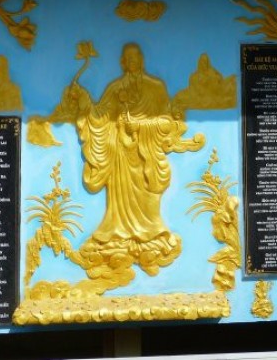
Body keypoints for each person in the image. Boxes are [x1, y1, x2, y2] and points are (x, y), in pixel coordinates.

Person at [63, 43, 204, 277]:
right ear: (122, 62)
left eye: (135, 57)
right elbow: (99, 116)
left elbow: (167, 122)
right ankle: (118, 236)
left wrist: (139, 125)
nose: (132, 61)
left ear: (141, 60)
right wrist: (84, 99)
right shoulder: (115, 88)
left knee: (148, 197)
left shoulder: (155, 87)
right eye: (127, 58)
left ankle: (152, 236)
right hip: (121, 154)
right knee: (120, 202)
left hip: (146, 154)